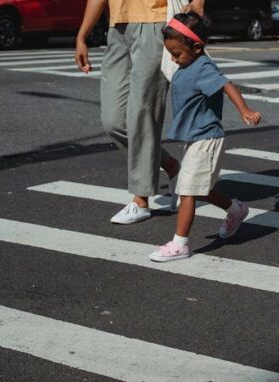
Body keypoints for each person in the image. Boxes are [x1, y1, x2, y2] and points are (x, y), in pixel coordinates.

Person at [74, 0, 204, 223]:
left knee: (142, 114)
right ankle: (172, 166)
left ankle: (140, 200)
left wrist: (199, 2)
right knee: (113, 121)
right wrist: (81, 36)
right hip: (117, 27)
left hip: (154, 22)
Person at [149, 12, 261, 262]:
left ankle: (180, 244)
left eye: (177, 53)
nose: (174, 59)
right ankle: (236, 209)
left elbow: (226, 85)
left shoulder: (203, 66)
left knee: (187, 190)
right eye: (170, 53)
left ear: (197, 47)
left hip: (207, 138)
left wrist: (244, 109)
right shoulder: (187, 63)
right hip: (195, 138)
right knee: (199, 189)